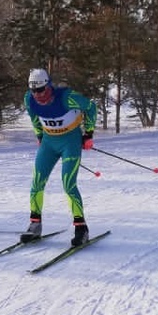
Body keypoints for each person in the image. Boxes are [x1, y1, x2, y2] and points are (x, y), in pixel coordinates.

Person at [21, 68, 97, 248]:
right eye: (34, 90)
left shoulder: (67, 97)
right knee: (37, 182)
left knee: (68, 184)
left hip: (70, 141)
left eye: (41, 90)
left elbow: (90, 107)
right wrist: (39, 136)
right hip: (49, 142)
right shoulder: (29, 99)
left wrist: (88, 134)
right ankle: (35, 224)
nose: (38, 95)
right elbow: (34, 118)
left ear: (48, 85)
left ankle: (81, 228)